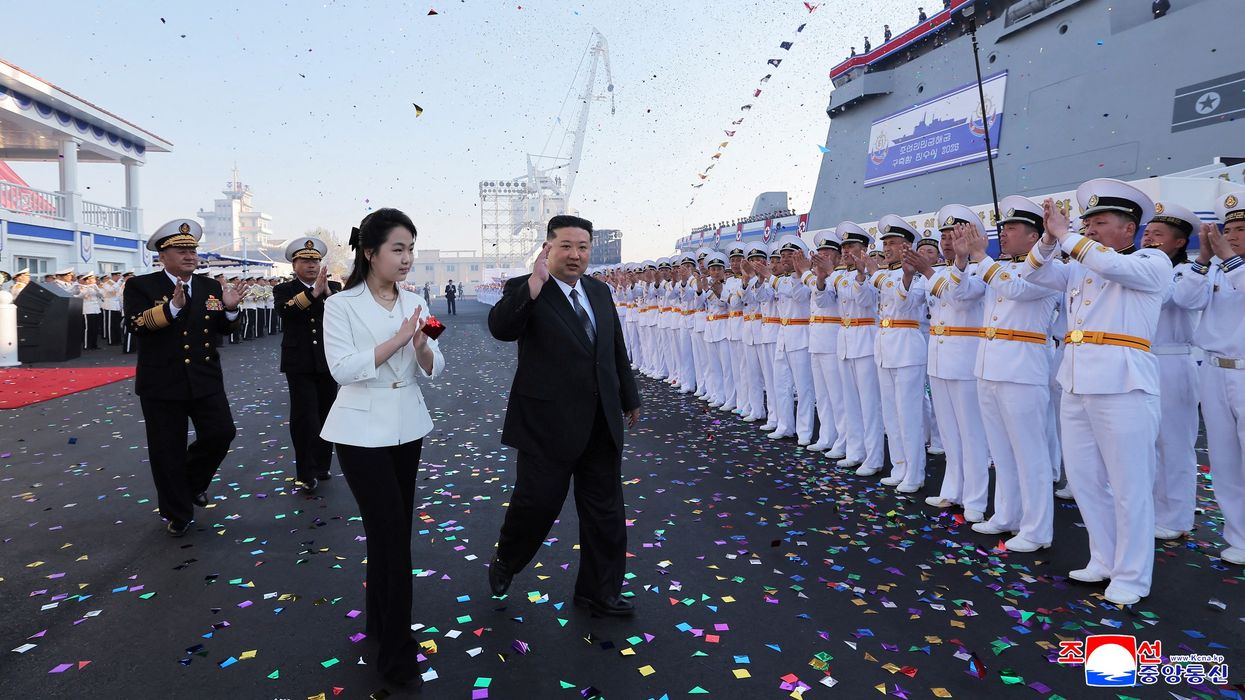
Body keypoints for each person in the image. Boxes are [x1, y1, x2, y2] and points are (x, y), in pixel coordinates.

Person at [487, 214, 641, 618]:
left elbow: (613, 349)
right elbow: (502, 328)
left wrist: (629, 395)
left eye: (583, 247)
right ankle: (507, 560)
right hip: (547, 425)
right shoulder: (526, 289)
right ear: (548, 248)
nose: (575, 255)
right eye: (566, 246)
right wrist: (534, 284)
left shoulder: (599, 292)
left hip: (599, 423)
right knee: (536, 505)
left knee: (605, 513)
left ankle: (598, 591)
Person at [1025, 178, 1170, 605]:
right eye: (1085, 222)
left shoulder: (1152, 261)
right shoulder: (1078, 264)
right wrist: (1051, 239)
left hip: (1124, 384)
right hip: (1076, 381)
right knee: (1086, 480)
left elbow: (1113, 267)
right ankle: (1103, 558)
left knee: (1129, 486)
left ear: (1129, 229)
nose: (1088, 228)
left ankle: (1131, 575)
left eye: (1099, 221)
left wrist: (1067, 236)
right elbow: (1033, 272)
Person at [321, 208, 444, 687]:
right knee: (393, 538)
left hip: (407, 426)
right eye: (398, 248)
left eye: (411, 248)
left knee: (390, 531)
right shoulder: (342, 304)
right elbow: (343, 368)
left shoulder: (416, 299)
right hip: (359, 432)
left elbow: (435, 364)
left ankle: (378, 622)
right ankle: (397, 651)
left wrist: (420, 346)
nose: (407, 258)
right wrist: (397, 340)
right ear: (369, 253)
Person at [123, 220, 241, 536]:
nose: (189, 255)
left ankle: (190, 483)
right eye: (181, 250)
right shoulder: (141, 286)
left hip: (204, 378)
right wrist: (172, 309)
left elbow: (223, 330)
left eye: (192, 249)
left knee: (221, 433)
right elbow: (135, 325)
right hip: (162, 383)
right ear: (163, 255)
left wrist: (230, 311)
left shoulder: (210, 287)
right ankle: (178, 512)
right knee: (167, 450)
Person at [1173, 191, 1245, 565]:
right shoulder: (1216, 267)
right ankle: (1239, 537)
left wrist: (1229, 261)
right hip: (1216, 371)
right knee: (1224, 459)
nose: (1231, 235)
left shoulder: (1233, 266)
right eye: (1228, 229)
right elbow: (1185, 300)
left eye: (1240, 228)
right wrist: (1203, 259)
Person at [917, 206, 990, 523]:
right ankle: (952, 489)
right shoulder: (944, 271)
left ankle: (975, 498)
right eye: (945, 235)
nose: (949, 241)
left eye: (956, 234)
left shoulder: (980, 270)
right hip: (940, 358)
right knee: (948, 432)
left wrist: (960, 261)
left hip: (965, 360)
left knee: (971, 433)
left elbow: (960, 297)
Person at [1141, 201, 1202, 540]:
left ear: (1179, 242)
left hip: (1173, 359)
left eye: (1158, 235)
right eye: (1146, 233)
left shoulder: (1189, 272)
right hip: (1143, 359)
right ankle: (1153, 507)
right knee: (1146, 442)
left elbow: (1170, 299)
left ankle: (1176, 516)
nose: (1148, 239)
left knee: (1174, 442)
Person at [275, 237, 342, 493]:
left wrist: (326, 294)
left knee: (326, 415)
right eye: (305, 260)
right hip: (299, 362)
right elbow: (287, 312)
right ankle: (305, 471)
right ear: (294, 265)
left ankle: (322, 464)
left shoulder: (333, 287)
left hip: (327, 360)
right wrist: (313, 294)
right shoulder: (285, 290)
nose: (312, 265)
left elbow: (344, 316)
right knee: (305, 419)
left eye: (315, 260)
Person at [77, 272, 103, 350]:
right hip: (87, 309)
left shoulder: (94, 287)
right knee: (88, 328)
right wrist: (88, 288)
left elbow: (101, 295)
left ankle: (94, 344)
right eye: (92, 279)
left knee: (95, 328)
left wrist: (97, 288)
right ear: (87, 280)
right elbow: (80, 296)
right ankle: (87, 345)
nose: (95, 280)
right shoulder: (81, 287)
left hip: (96, 309)